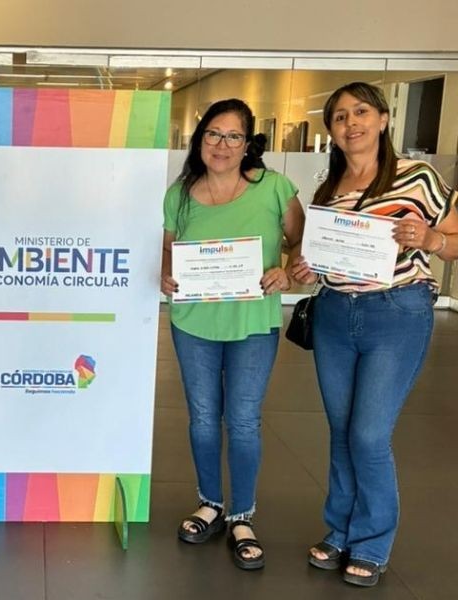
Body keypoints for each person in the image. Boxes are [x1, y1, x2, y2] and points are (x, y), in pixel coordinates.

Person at [289, 82, 458, 587]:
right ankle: (339, 531)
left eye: (361, 112)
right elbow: (321, 259)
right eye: (340, 116)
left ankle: (371, 542)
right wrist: (306, 266)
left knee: (368, 434)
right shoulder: (329, 187)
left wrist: (431, 238)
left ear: (383, 119)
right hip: (335, 315)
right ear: (332, 129)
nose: (351, 123)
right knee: (342, 431)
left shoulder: (417, 177)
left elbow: (453, 239)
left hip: (396, 314)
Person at [161, 98, 305, 570]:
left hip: (252, 323)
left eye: (233, 136)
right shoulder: (180, 193)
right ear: (200, 139)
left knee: (243, 420)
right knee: (204, 417)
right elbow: (168, 249)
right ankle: (210, 502)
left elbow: (300, 244)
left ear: (248, 145)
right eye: (213, 134)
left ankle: (242, 515)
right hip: (193, 322)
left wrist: (287, 272)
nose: (221, 145)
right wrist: (166, 274)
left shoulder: (274, 187)